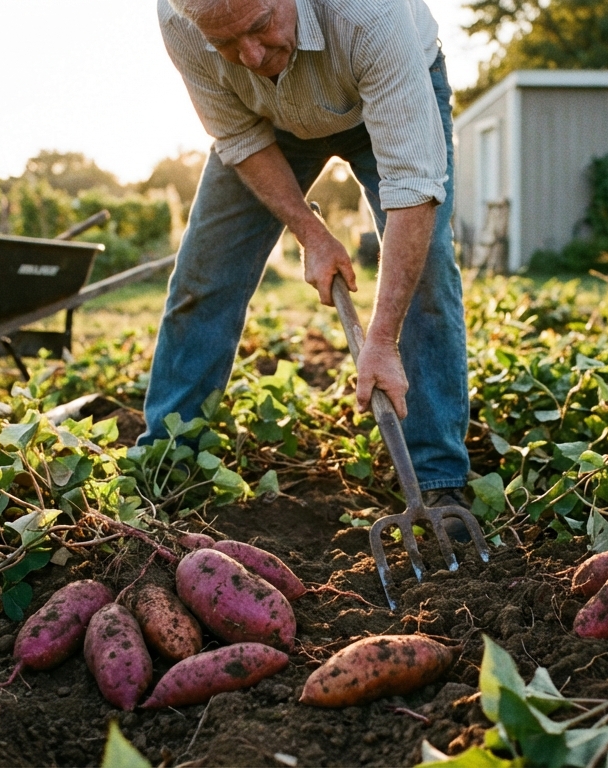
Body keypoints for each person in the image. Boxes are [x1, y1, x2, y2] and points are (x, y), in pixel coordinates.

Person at [144, 0, 471, 515]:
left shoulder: (369, 14)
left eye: (259, 27)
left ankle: (438, 481)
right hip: (265, 120)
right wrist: (311, 233)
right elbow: (239, 135)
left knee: (426, 274)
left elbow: (412, 185)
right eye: (226, 44)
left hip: (381, 86)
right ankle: (164, 465)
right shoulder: (178, 20)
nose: (249, 55)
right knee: (204, 277)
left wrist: (381, 339)